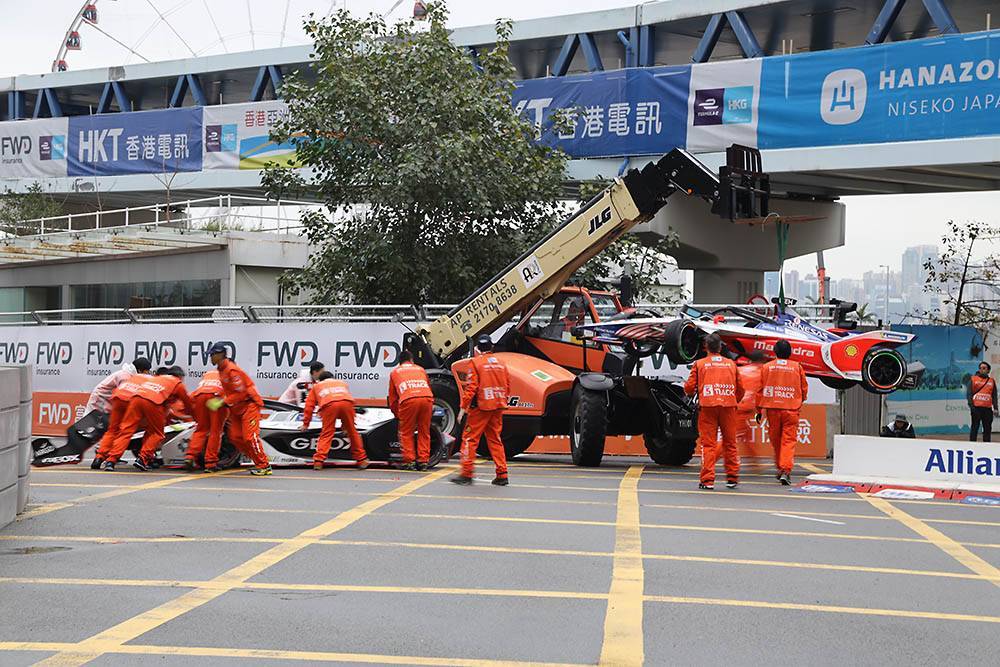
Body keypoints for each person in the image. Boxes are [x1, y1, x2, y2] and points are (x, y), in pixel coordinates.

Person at [103, 367, 193, 471]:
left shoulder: (157, 378)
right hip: (154, 402)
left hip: (136, 398)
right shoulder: (177, 383)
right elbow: (188, 404)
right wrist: (195, 417)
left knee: (126, 431)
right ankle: (143, 459)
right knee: (157, 433)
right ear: (180, 377)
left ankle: (111, 461)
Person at [684, 334, 744, 490]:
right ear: (720, 347)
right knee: (730, 443)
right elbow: (741, 389)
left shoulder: (699, 364)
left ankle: (707, 480)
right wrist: (732, 400)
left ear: (705, 347)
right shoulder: (731, 364)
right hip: (728, 407)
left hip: (708, 407)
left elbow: (689, 388)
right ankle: (732, 478)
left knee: (708, 445)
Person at [452, 334, 510, 486]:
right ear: (491, 347)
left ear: (477, 348)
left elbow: (471, 387)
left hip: (481, 407)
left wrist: (462, 408)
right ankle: (502, 474)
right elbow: (507, 385)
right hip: (497, 405)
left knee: (470, 439)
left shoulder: (475, 363)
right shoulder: (501, 363)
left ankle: (466, 474)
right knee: (495, 440)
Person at [208, 343, 272, 476]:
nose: (210, 357)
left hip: (249, 405)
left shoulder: (232, 370)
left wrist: (222, 402)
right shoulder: (221, 370)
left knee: (250, 437)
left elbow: (241, 393)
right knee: (235, 437)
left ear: (220, 355)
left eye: (212, 354)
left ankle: (264, 465)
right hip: (236, 408)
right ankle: (258, 461)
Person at [756, 339, 809, 485]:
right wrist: (799, 400)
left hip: (772, 409)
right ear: (790, 353)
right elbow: (804, 387)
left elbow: (760, 389)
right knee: (788, 441)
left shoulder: (767, 367)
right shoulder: (797, 367)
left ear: (775, 351)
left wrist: (758, 410)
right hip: (791, 409)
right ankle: (785, 470)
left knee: (776, 441)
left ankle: (782, 468)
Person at [91, 359, 153, 469]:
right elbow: (128, 395)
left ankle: (99, 457)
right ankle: (106, 455)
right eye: (147, 371)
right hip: (102, 400)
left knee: (112, 430)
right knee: (116, 430)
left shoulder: (129, 374)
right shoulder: (126, 376)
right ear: (140, 370)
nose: (148, 374)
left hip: (114, 400)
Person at [301, 371, 368, 470]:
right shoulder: (342, 383)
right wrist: (345, 426)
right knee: (352, 432)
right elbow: (343, 401)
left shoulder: (317, 386)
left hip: (329, 405)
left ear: (320, 380)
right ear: (333, 377)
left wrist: (305, 424)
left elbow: (309, 407)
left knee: (327, 433)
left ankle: (318, 461)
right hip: (347, 403)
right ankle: (361, 460)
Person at [388, 350, 434, 471]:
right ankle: (423, 461)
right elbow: (428, 386)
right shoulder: (420, 369)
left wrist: (397, 414)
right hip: (427, 398)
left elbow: (393, 399)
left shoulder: (395, 372)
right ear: (412, 360)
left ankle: (410, 461)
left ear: (399, 362)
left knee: (406, 432)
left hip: (408, 399)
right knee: (424, 431)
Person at [185, 367, 228, 472]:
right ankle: (210, 463)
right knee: (215, 431)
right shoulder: (230, 373)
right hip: (216, 396)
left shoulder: (209, 373)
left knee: (201, 429)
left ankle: (190, 456)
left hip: (199, 395)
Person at [85, 357, 150, 414]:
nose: (149, 373)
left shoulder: (130, 375)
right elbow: (125, 398)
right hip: (99, 400)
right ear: (139, 370)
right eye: (147, 371)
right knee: (90, 424)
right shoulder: (125, 377)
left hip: (106, 402)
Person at [735, 351, 767, 452]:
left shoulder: (740, 369)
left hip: (736, 405)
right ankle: (711, 461)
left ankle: (755, 465)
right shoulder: (762, 371)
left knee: (746, 437)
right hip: (745, 408)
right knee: (730, 439)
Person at [968, 361, 998, 442]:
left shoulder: (992, 381)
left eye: (984, 368)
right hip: (976, 408)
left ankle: (986, 446)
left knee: (987, 428)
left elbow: (994, 395)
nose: (982, 370)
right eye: (980, 368)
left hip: (987, 409)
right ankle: (972, 445)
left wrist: (995, 408)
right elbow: (969, 394)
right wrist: (972, 407)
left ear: (988, 370)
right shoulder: (973, 379)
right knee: (975, 427)